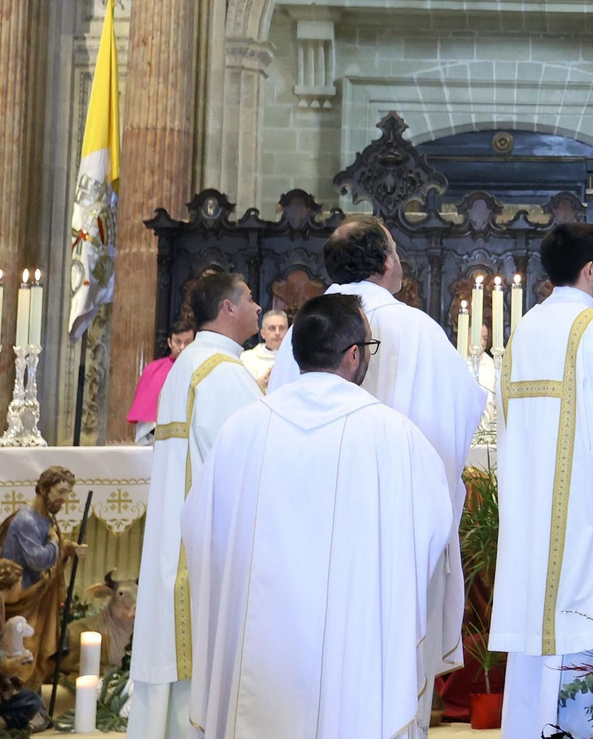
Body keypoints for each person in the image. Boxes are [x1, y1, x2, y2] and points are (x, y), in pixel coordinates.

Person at [182, 293, 453, 739]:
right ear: (353, 355)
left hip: (260, 660)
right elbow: (432, 532)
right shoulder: (394, 435)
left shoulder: (242, 431)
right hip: (356, 655)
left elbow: (199, 528)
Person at [270, 214, 486, 730]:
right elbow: (457, 433)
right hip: (394, 538)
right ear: (388, 263)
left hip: (310, 534)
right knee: (391, 676)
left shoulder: (306, 329)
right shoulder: (419, 330)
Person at [489, 222, 593, 737]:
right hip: (588, 508)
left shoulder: (525, 329)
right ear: (590, 269)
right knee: (590, 613)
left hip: (530, 506)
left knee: (538, 627)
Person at [128, 269, 262, 739]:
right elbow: (254, 466)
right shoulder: (224, 374)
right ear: (228, 307)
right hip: (210, 545)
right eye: (249, 298)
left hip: (177, 538)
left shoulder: (188, 364)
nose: (259, 307)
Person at [0, 467, 87, 688]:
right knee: (24, 644)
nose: (64, 499)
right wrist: (54, 542)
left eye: (68, 493)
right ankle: (20, 693)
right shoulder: (27, 521)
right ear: (43, 489)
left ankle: (30, 692)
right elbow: (38, 560)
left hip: (36, 592)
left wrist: (68, 547)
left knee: (36, 646)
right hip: (21, 596)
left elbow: (51, 549)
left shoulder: (45, 517)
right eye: (60, 492)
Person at [0, 559, 48, 732]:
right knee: (29, 701)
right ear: (13, 584)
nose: (22, 588)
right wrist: (12, 663)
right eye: (20, 583)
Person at [126, 321, 195, 445]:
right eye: (178, 342)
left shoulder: (200, 369)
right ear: (169, 342)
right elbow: (146, 420)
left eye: (188, 342)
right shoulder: (154, 369)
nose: (182, 347)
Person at [238, 309, 288, 390]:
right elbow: (239, 390)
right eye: (272, 328)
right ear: (263, 334)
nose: (277, 333)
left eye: (282, 328)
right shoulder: (246, 358)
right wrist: (258, 385)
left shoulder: (297, 359)